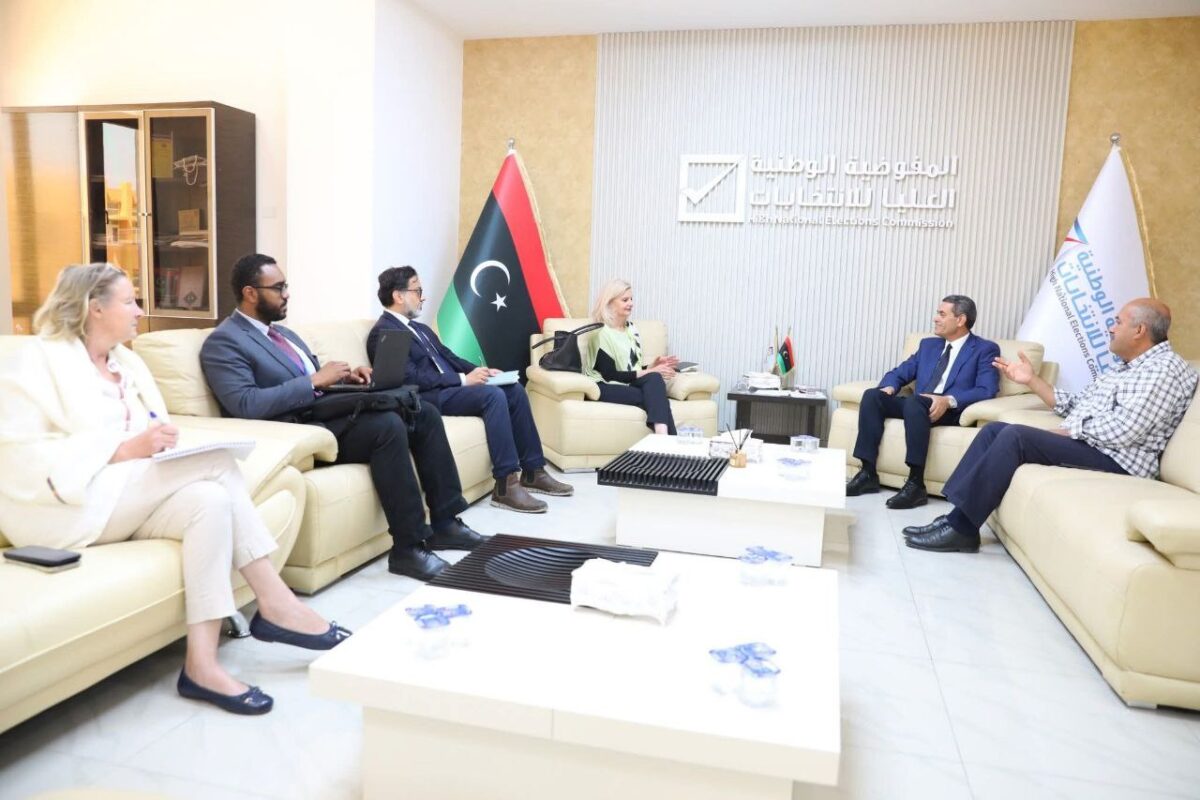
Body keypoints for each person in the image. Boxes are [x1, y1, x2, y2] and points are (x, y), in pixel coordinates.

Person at [0, 264, 350, 716]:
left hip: (119, 495)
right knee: (217, 464)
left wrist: (155, 444)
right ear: (94, 307)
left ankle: (201, 666)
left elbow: (150, 432)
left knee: (211, 500)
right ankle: (276, 602)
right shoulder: (37, 362)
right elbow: (21, 456)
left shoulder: (126, 364)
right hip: (61, 507)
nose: (139, 312)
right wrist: (123, 449)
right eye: (130, 301)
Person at [199, 254, 487, 582]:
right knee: (387, 426)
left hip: (328, 409)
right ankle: (408, 548)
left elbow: (315, 378)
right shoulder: (224, 342)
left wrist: (346, 377)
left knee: (423, 412)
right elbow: (245, 404)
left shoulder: (285, 335)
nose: (287, 294)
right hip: (301, 428)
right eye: (278, 288)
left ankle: (446, 523)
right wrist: (313, 381)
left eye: (286, 286)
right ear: (250, 293)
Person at [904, 298, 1198, 553]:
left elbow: (1126, 429)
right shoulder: (1125, 368)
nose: (1111, 328)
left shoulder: (1164, 370)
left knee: (1016, 436)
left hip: (1119, 460)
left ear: (1139, 330)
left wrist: (1068, 432)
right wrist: (1031, 380)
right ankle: (956, 516)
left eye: (1118, 322)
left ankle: (962, 530)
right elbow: (1076, 405)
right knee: (994, 429)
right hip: (1096, 445)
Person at [366, 266, 572, 514]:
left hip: (449, 388)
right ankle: (505, 484)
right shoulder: (384, 333)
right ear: (398, 296)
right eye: (417, 290)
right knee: (492, 396)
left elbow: (449, 357)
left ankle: (533, 471)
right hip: (427, 398)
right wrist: (463, 379)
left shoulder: (420, 329)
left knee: (512, 389)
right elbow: (410, 378)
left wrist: (481, 371)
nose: (423, 297)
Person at [846, 295, 1001, 509]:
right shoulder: (928, 345)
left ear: (960, 320)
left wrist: (948, 400)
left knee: (915, 402)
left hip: (949, 410)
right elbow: (900, 372)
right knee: (873, 396)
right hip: (917, 405)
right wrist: (890, 386)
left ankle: (916, 483)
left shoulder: (985, 349)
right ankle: (867, 473)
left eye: (942, 314)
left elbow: (987, 389)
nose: (935, 318)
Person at [584, 279, 679, 435]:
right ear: (610, 302)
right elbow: (610, 375)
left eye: (631, 299)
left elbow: (630, 368)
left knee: (655, 382)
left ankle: (662, 438)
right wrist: (650, 372)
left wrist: (652, 366)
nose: (631, 303)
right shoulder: (600, 333)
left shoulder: (631, 329)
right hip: (604, 385)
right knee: (656, 397)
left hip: (627, 382)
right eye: (625, 300)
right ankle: (667, 441)